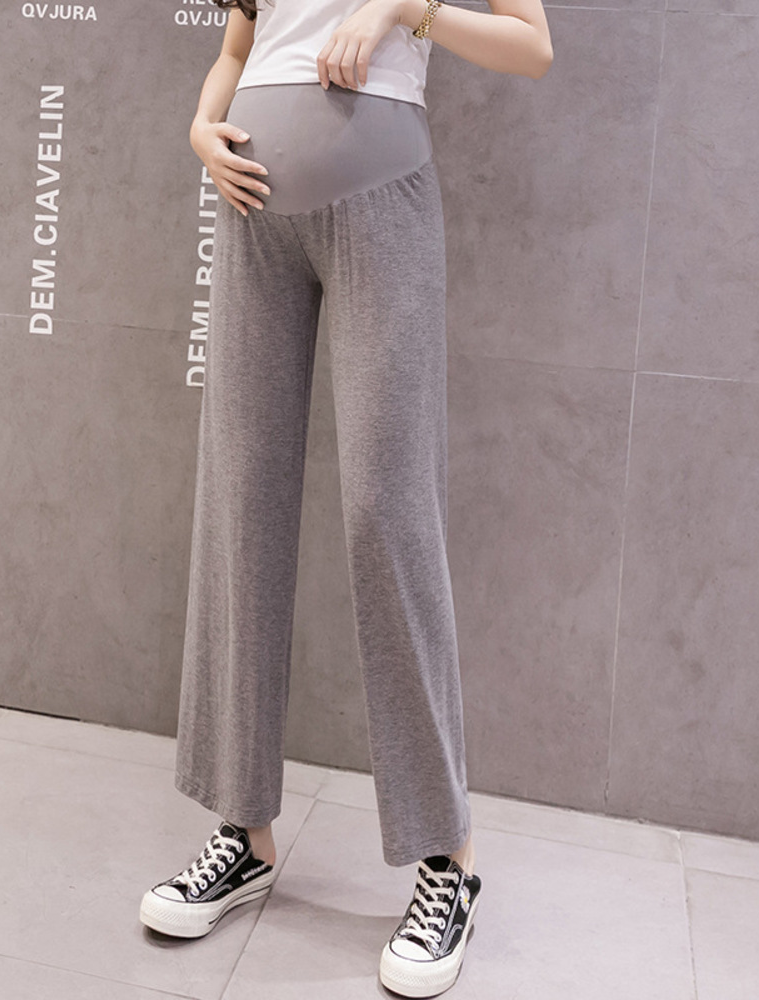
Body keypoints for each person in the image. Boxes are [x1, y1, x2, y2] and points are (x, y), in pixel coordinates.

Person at [140, 1, 553, 995]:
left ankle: (446, 857)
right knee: (240, 506)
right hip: (251, 209)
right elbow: (238, 47)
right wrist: (202, 127)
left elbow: (532, 47)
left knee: (387, 513)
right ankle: (243, 831)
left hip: (381, 194)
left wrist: (409, 9)